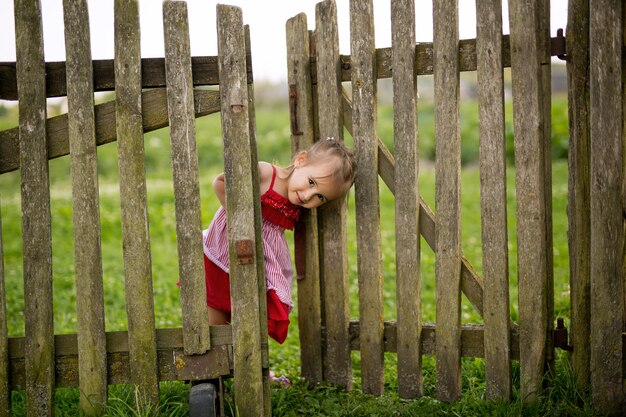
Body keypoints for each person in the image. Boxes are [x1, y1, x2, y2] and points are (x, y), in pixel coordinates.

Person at [202, 137, 356, 348]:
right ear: (301, 160)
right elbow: (220, 182)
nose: (308, 196)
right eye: (311, 182)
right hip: (230, 245)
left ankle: (238, 360)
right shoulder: (266, 174)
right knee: (216, 304)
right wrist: (240, 222)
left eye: (320, 197)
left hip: (265, 255)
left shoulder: (297, 200)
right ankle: (210, 370)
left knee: (251, 309)